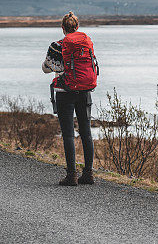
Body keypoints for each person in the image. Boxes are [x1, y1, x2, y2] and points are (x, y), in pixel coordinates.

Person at [42, 11, 98, 186]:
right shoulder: (86, 43)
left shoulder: (56, 46)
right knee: (86, 132)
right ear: (77, 27)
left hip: (64, 93)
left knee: (68, 134)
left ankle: (71, 175)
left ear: (62, 27)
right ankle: (88, 174)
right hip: (85, 90)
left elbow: (46, 68)